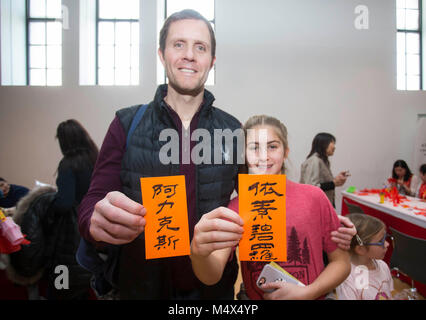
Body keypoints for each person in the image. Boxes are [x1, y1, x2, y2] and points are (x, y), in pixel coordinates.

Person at [78, 9, 242, 299]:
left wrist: (320, 220)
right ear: (162, 54)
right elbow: (92, 202)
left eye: (200, 47)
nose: (189, 55)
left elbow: (254, 202)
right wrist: (96, 221)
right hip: (140, 285)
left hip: (211, 290)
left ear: (211, 61)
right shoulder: (127, 124)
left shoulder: (232, 130)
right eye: (179, 44)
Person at [190, 115, 352, 300]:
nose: (264, 156)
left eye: (272, 146)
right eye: (254, 148)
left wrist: (308, 292)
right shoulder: (236, 207)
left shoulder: (314, 197)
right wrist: (199, 254)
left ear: (286, 152)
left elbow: (342, 263)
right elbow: (211, 276)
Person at [7, 119, 97, 300]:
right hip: (93, 227)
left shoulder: (69, 164)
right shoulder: (95, 158)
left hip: (71, 235)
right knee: (83, 285)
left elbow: (64, 202)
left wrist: (47, 204)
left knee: (61, 288)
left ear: (65, 141)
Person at [335, 214, 393, 300]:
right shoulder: (348, 280)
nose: (387, 244)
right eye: (381, 241)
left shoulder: (383, 266)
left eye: (386, 238)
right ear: (361, 249)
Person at [300, 133, 348, 207]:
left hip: (322, 206)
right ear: (323, 144)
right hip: (315, 207)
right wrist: (333, 183)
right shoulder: (314, 161)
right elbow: (311, 187)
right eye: (332, 143)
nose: (334, 147)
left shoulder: (323, 161)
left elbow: (322, 183)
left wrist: (337, 180)